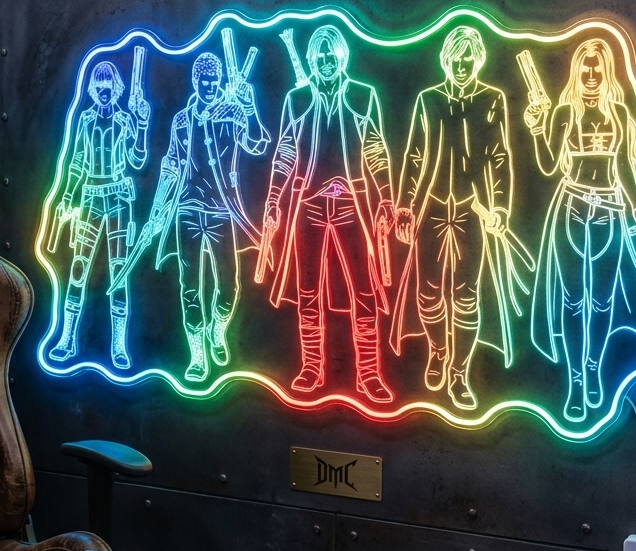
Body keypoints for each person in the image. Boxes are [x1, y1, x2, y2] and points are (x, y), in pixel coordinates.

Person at [524, 37, 636, 422]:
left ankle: (593, 370)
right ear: (577, 70)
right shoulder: (564, 112)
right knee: (573, 300)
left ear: (607, 72)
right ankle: (575, 382)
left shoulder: (618, 113)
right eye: (585, 67)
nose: (591, 74)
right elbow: (549, 165)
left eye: (598, 67)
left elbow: (623, 167)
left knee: (603, 301)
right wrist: (537, 128)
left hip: (610, 208)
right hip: (571, 206)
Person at [390, 25, 533, 410]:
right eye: (456, 57)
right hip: (432, 209)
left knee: (466, 296)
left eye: (469, 57)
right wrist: (404, 207)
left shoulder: (491, 99)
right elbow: (415, 155)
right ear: (446, 59)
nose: (463, 64)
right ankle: (438, 351)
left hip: (472, 209)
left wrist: (499, 207)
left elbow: (500, 156)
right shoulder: (429, 99)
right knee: (428, 294)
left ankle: (458, 374)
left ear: (478, 59)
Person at [258, 24, 395, 403]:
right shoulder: (298, 99)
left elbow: (376, 150)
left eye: (331, 54)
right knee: (307, 290)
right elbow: (285, 152)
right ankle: (311, 368)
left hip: (352, 205)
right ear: (311, 59)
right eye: (319, 55)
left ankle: (369, 374)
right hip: (309, 205)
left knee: (364, 289)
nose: (325, 61)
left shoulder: (362, 96)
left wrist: (385, 199)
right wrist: (273, 199)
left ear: (342, 56)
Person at [143, 50, 269, 382]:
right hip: (187, 211)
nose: (210, 86)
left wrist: (250, 108)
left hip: (221, 212)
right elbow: (170, 166)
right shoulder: (182, 120)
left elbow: (258, 145)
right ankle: (198, 355)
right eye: (204, 81)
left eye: (214, 81)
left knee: (228, 286)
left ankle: (218, 329)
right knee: (189, 286)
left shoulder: (233, 112)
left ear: (220, 81)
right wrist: (156, 213)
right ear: (195, 81)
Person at [47, 59, 150, 370]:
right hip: (91, 197)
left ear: (116, 88)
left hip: (118, 198)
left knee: (119, 271)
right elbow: (77, 162)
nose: (104, 91)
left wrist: (142, 125)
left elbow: (137, 158)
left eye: (108, 86)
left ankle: (119, 345)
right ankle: (67, 339)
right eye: (99, 86)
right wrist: (67, 197)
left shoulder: (125, 120)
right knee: (78, 267)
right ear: (93, 88)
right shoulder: (86, 119)